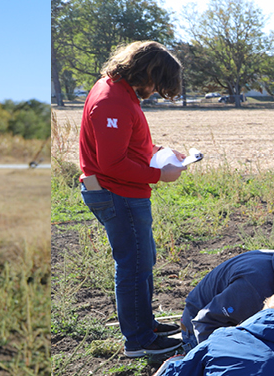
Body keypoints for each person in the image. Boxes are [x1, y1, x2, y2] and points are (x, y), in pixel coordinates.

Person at [80, 41, 189, 358]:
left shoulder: (118, 92)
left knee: (142, 262)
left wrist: (159, 153)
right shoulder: (112, 102)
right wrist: (160, 175)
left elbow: (125, 146)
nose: (155, 92)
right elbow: (111, 163)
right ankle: (139, 341)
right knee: (133, 266)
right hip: (119, 194)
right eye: (157, 84)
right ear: (147, 72)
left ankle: (146, 327)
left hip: (123, 193)